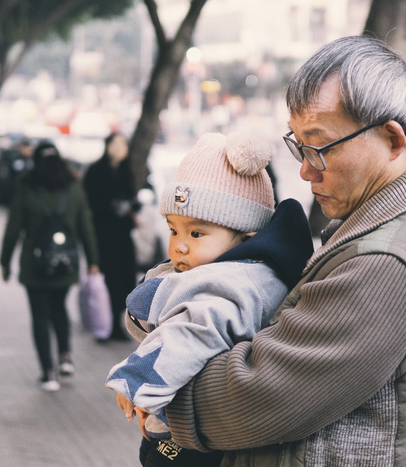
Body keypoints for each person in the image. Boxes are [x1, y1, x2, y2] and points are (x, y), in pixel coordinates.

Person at [165, 35, 406, 466]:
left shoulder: (386, 262)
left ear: (392, 139)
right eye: (298, 145)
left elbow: (261, 397)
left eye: (318, 147)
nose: (306, 169)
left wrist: (161, 391)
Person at [106, 132, 314, 466]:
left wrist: (138, 378)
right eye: (174, 230)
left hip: (193, 448)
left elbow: (194, 329)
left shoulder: (233, 283)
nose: (180, 246)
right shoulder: (228, 270)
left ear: (245, 235)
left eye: (197, 233)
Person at [0, 141, 100, 392]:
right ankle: (65, 357)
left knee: (40, 316)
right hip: (66, 264)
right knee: (59, 309)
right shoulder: (74, 187)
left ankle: (48, 373)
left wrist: (4, 261)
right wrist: (93, 260)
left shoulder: (27, 187)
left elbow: (13, 229)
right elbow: (86, 226)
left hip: (34, 264)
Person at [83, 131, 140, 341]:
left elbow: (134, 196)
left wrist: (132, 209)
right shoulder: (96, 171)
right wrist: (112, 206)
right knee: (106, 279)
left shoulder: (127, 170)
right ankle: (102, 323)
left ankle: (118, 322)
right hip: (103, 233)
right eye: (114, 144)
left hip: (123, 235)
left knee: (124, 279)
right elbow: (90, 201)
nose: (118, 148)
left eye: (122, 144)